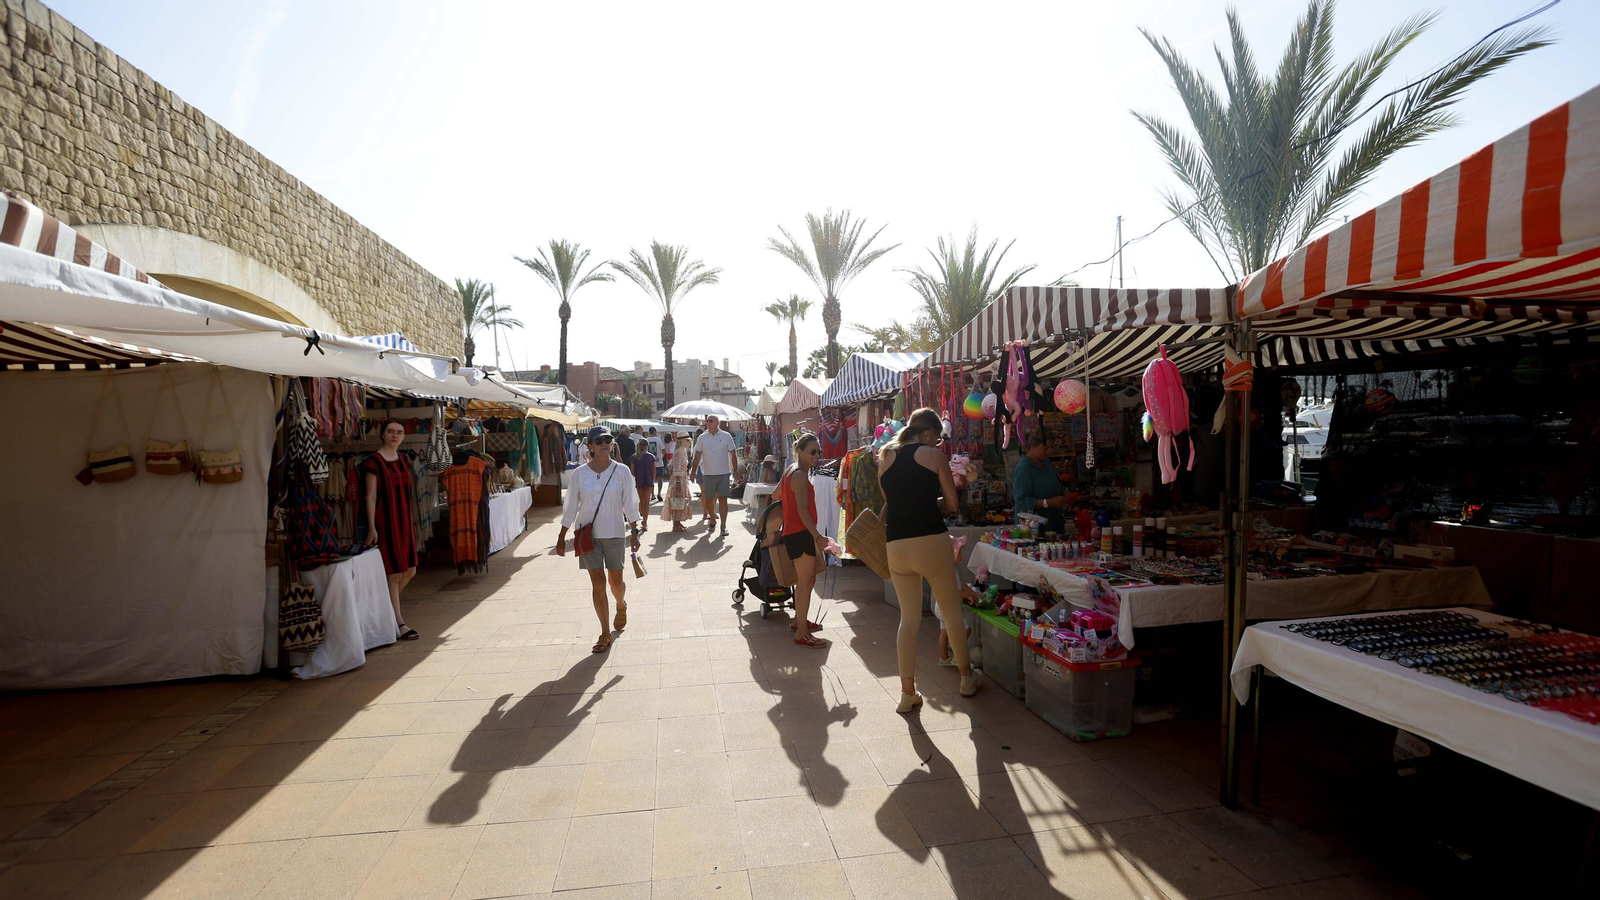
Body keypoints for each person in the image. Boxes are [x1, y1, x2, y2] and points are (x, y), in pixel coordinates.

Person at [878, 407, 980, 713]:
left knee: (908, 619)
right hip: (931, 542)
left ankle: (907, 693)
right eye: (937, 438)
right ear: (928, 434)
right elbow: (951, 505)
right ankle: (965, 677)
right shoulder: (934, 457)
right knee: (951, 612)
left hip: (896, 544)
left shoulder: (885, 458)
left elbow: (894, 504)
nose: (938, 444)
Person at [557, 426, 641, 653]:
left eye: (608, 439)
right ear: (590, 446)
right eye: (599, 440)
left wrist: (634, 532)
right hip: (587, 535)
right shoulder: (579, 474)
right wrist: (562, 534)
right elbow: (571, 506)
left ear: (612, 444)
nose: (605, 442)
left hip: (614, 533)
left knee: (615, 582)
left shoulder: (622, 471)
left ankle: (621, 605)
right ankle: (605, 633)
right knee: (598, 583)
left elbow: (631, 504)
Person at [363, 418, 419, 641]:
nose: (395, 435)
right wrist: (371, 527)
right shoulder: (373, 462)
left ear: (404, 436)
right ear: (383, 434)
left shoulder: (404, 460)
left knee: (411, 570)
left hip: (405, 520)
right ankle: (399, 623)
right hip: (386, 522)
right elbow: (371, 496)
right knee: (394, 574)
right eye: (390, 431)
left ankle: (384, 611)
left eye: (399, 432)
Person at [777, 432, 829, 648]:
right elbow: (803, 510)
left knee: (805, 581)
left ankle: (800, 621)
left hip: (794, 532)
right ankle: (801, 632)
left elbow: (775, 494)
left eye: (819, 452)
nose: (817, 456)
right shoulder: (799, 474)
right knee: (806, 582)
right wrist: (817, 536)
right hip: (800, 533)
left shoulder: (791, 470)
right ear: (799, 451)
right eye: (812, 452)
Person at [1012, 428, 1069, 532]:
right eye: (1045, 448)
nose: (1049, 452)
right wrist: (1048, 503)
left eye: (1051, 448)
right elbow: (1022, 503)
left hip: (1054, 524)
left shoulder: (1047, 463)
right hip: (1033, 530)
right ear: (1033, 446)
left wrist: (1064, 494)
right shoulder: (1024, 469)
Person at [692, 415, 738, 537]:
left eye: (710, 421)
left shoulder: (726, 436)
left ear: (717, 423)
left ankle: (723, 526)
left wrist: (736, 470)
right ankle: (712, 519)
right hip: (707, 474)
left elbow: (733, 454)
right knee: (708, 500)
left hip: (723, 473)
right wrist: (693, 472)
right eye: (707, 421)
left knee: (723, 499)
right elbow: (697, 456)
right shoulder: (702, 438)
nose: (708, 423)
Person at [661, 432, 694, 531]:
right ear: (682, 441)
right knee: (677, 500)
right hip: (678, 479)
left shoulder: (682, 450)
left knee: (680, 500)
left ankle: (678, 522)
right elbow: (676, 467)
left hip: (682, 478)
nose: (688, 441)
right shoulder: (679, 451)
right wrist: (678, 481)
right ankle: (676, 523)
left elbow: (671, 464)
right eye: (687, 440)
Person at [632, 439, 656, 532]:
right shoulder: (651, 457)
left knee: (641, 501)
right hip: (648, 480)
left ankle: (642, 517)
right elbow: (654, 470)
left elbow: (632, 470)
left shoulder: (635, 457)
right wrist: (652, 479)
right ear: (647, 446)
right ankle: (645, 522)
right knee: (647, 502)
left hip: (639, 481)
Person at [647, 427, 665, 500]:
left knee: (651, 479)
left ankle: (652, 494)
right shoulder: (658, 440)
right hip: (659, 462)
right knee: (660, 478)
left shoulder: (646, 440)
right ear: (655, 432)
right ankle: (659, 493)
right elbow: (663, 450)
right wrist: (661, 457)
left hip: (649, 463)